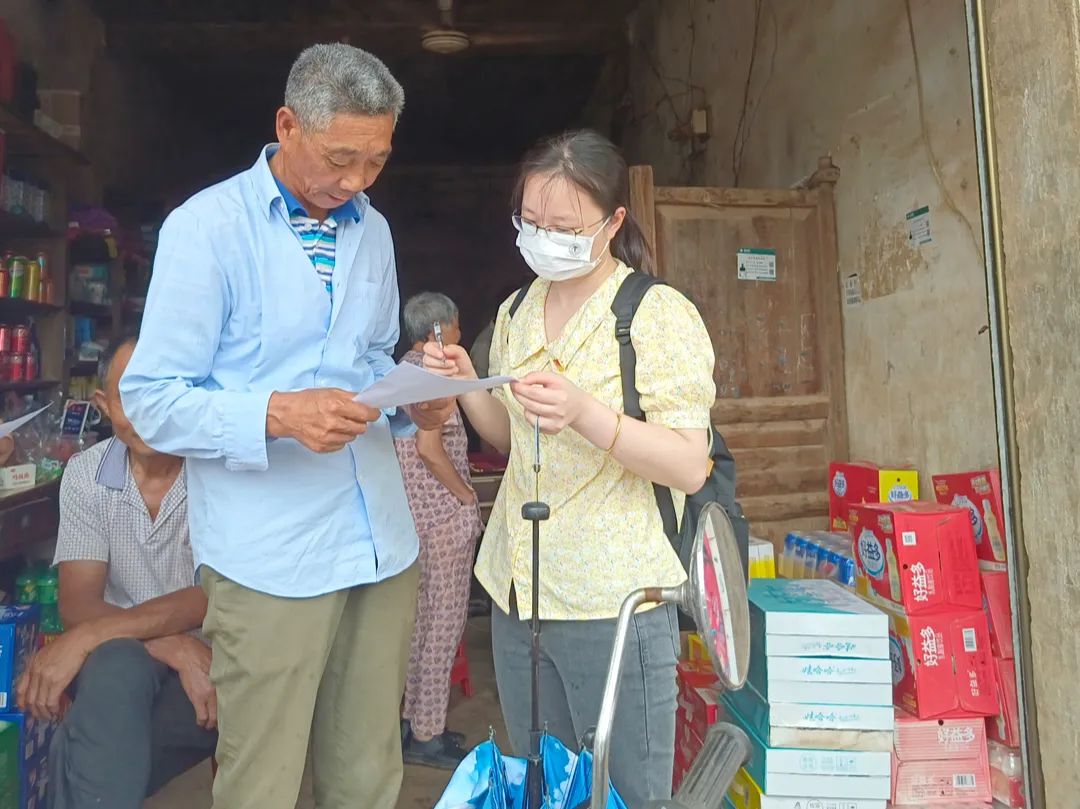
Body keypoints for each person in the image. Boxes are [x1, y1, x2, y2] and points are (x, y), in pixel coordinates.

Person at [118, 44, 454, 809]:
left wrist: (418, 396)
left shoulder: (374, 231)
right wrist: (273, 412)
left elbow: (369, 358)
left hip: (379, 543)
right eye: (340, 158)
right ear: (287, 125)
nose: (356, 182)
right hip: (271, 558)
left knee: (368, 775)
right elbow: (151, 399)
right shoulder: (206, 229)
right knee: (261, 782)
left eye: (376, 162)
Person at [423, 129, 716, 806]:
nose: (543, 237)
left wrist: (587, 412)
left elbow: (689, 464)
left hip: (610, 600)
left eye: (563, 226)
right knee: (542, 786)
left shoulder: (655, 315)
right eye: (530, 222)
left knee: (625, 790)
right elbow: (510, 435)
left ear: (613, 222)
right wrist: (471, 381)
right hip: (517, 588)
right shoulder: (517, 310)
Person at [16, 335, 217, 809]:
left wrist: (92, 636)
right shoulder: (87, 473)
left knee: (88, 742)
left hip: (210, 664)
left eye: (160, 395)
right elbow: (78, 602)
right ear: (104, 405)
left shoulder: (217, 473)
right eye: (131, 397)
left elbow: (215, 593)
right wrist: (168, 645)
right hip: (123, 662)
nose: (147, 414)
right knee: (117, 667)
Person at [395, 292, 484, 769]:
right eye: (455, 328)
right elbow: (431, 449)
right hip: (443, 519)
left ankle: (411, 721)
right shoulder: (434, 374)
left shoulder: (402, 370)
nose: (459, 336)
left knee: (417, 624)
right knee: (443, 625)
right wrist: (466, 498)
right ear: (439, 331)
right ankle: (428, 734)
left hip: (410, 519)